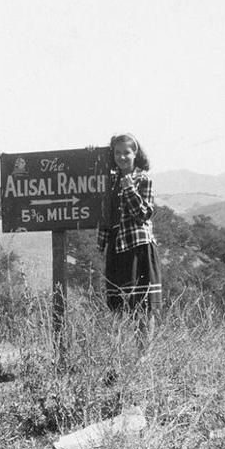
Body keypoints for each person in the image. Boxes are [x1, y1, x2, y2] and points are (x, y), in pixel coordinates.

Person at [97, 133, 162, 349]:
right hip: (117, 247)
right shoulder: (110, 181)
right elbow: (105, 214)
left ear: (136, 153)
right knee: (117, 305)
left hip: (138, 247)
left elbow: (143, 214)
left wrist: (129, 188)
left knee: (143, 305)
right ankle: (117, 354)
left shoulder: (143, 179)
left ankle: (143, 356)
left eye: (126, 152)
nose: (122, 157)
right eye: (117, 153)